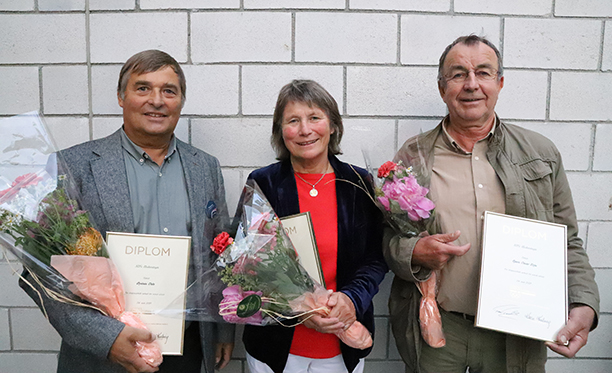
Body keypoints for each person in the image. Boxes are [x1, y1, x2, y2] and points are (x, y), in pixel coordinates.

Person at [384, 35, 600, 373]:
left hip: (516, 335)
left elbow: (568, 240)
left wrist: (584, 302)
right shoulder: (414, 156)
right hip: (441, 328)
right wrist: (413, 253)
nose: (471, 84)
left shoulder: (540, 153)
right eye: (458, 74)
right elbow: (388, 237)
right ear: (442, 89)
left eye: (483, 73)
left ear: (499, 83)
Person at [20, 50, 234, 373]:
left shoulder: (205, 167)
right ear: (121, 97)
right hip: (101, 356)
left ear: (180, 101)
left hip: (185, 352)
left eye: (169, 91)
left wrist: (222, 328)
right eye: (143, 88)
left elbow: (221, 256)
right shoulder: (72, 166)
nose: (157, 101)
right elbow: (42, 272)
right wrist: (107, 339)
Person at [241, 80, 388, 373]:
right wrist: (297, 306)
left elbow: (376, 256)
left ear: (332, 125)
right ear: (281, 132)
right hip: (275, 347)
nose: (305, 130)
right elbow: (246, 264)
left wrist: (351, 299)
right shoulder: (264, 183)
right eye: (293, 121)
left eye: (314, 118)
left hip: (342, 344)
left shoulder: (358, 184)